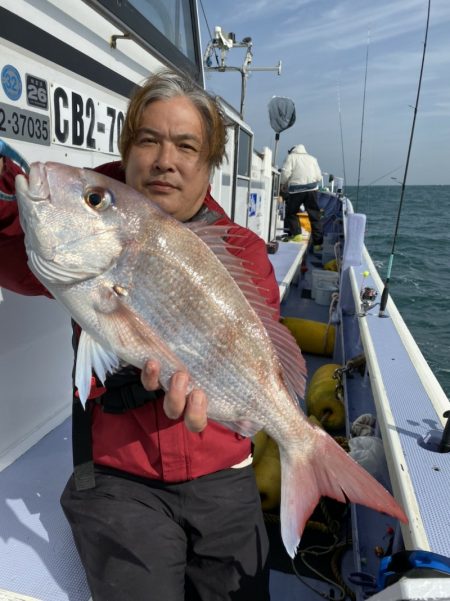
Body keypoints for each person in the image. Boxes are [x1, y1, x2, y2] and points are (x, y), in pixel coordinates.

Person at [0, 69, 280, 600]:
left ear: (209, 165)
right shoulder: (87, 223)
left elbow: (260, 357)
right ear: (127, 152)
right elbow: (17, 248)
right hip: (119, 481)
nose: (164, 160)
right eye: (148, 140)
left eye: (186, 146)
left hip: (223, 473)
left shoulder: (242, 252)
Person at [280, 144, 323, 251]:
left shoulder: (291, 157)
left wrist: (282, 183)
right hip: (312, 190)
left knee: (291, 212)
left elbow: (285, 173)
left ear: (292, 151)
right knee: (315, 216)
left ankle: (297, 234)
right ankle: (318, 244)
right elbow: (318, 176)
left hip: (296, 190)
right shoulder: (312, 159)